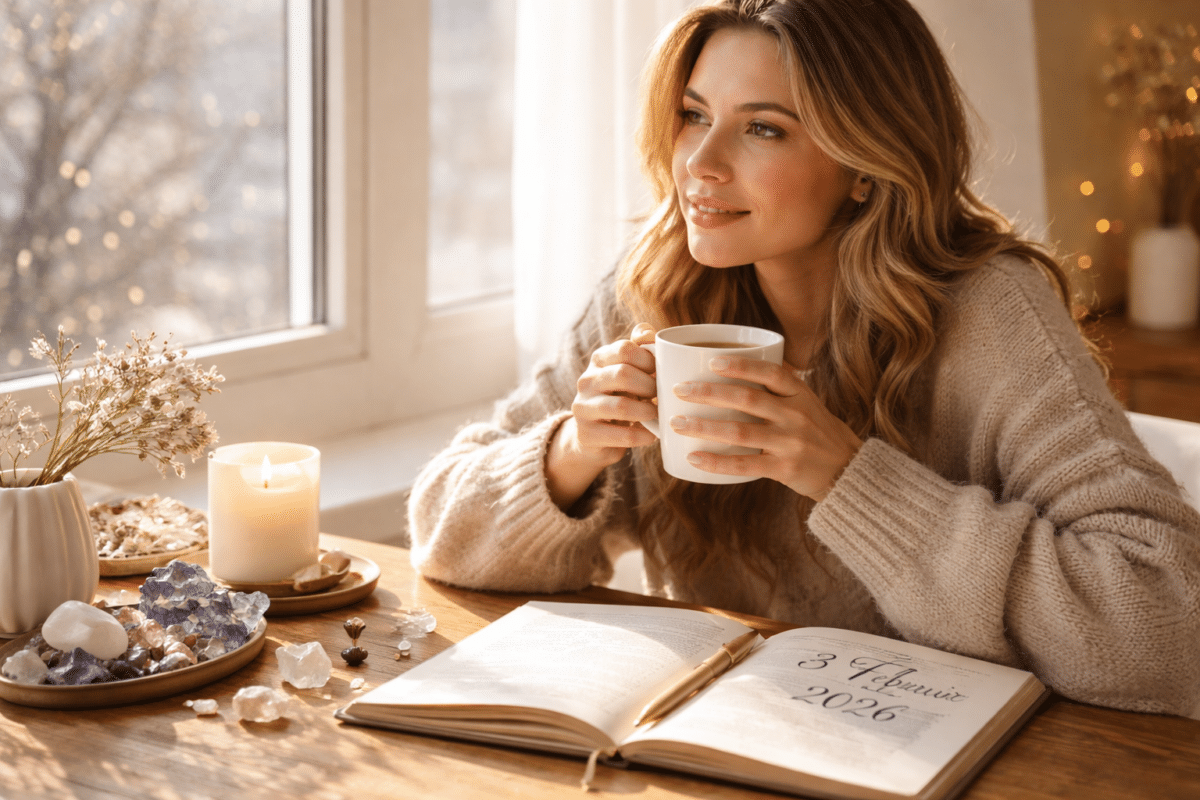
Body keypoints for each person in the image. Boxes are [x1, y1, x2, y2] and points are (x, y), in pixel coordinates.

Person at [409, 0, 1200, 716]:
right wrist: (571, 453)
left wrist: (846, 477)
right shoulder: (656, 285)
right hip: (720, 745)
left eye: (763, 128)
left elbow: (1171, 626)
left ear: (864, 163)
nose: (700, 164)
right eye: (693, 114)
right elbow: (439, 530)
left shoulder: (988, 310)